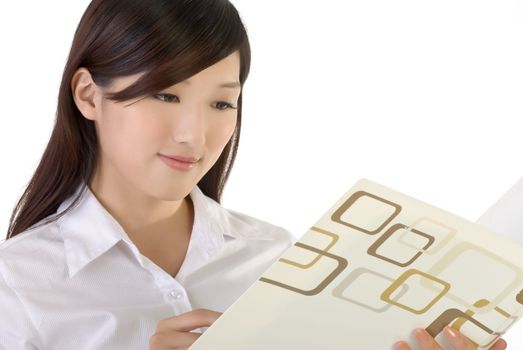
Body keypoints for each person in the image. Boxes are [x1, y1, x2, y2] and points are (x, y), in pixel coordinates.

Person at [0, 1, 508, 349]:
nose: (194, 136)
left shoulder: (283, 262)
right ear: (89, 95)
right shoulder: (18, 287)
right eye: (165, 94)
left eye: (222, 102)